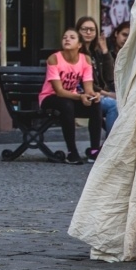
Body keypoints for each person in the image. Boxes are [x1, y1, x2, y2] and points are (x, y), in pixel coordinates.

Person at [39, 28, 103, 165]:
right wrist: (81, 97)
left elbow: (88, 88)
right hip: (49, 98)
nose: (67, 39)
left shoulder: (85, 60)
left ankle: (94, 151)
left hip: (70, 99)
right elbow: (59, 91)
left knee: (95, 104)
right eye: (64, 37)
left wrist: (93, 95)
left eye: (72, 37)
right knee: (66, 104)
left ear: (79, 44)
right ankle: (72, 152)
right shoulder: (54, 59)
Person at [76, 16, 115, 159]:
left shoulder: (96, 53)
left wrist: (105, 51)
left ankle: (112, 147)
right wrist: (108, 94)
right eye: (84, 29)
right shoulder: (76, 54)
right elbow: (85, 83)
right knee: (113, 105)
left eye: (92, 30)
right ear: (78, 31)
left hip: (99, 94)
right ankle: (110, 148)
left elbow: (110, 76)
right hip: (83, 96)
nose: (88, 32)